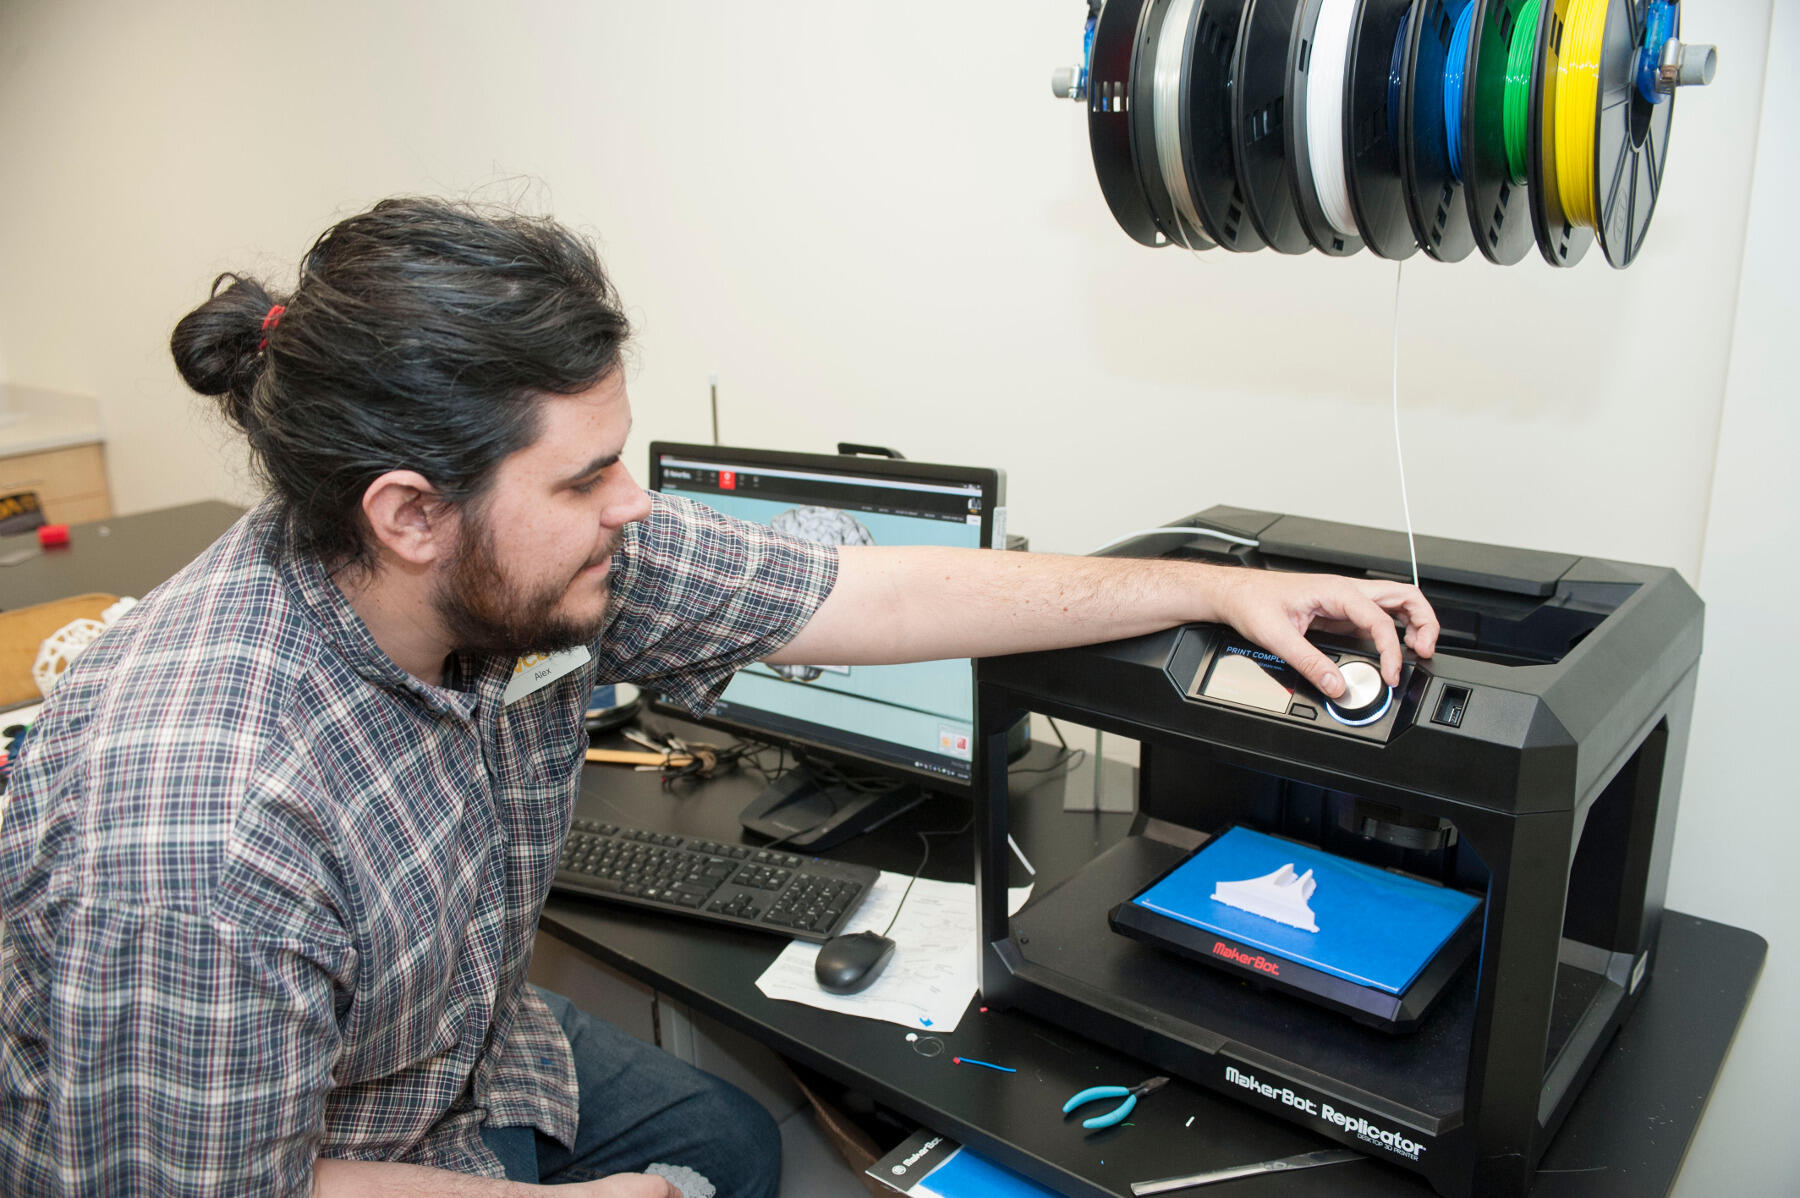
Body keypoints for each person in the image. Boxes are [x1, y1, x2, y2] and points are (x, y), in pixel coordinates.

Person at [0, 197, 1439, 1197]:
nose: (636, 506)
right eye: (584, 479)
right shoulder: (204, 823)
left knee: (732, 1147)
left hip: (456, 1052)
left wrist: (1199, 583)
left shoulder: (520, 562)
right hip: (283, 1148)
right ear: (408, 513)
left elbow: (862, 594)